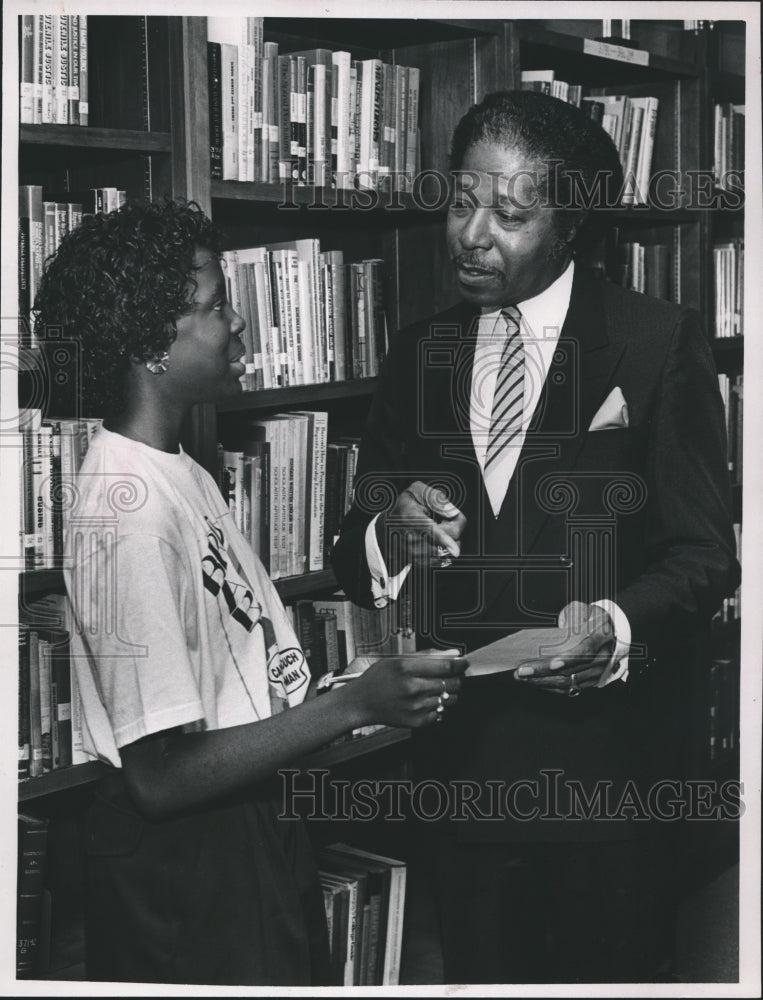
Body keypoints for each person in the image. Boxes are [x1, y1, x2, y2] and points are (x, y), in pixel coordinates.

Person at [331, 90, 740, 984]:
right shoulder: (416, 350)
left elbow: (706, 553)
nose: (472, 234)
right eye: (459, 202)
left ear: (570, 225)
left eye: (509, 214)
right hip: (460, 776)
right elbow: (349, 546)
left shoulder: (654, 341)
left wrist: (617, 627)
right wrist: (386, 532)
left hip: (613, 782)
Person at [34, 198, 467, 986]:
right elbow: (160, 777)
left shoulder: (181, 472)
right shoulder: (121, 510)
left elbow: (230, 674)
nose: (239, 324)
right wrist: (352, 707)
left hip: (247, 825)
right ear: (149, 344)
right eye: (215, 305)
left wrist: (338, 696)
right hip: (187, 865)